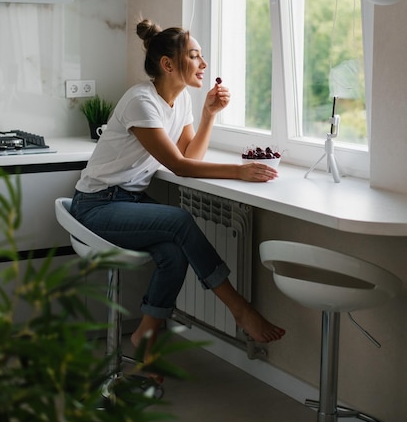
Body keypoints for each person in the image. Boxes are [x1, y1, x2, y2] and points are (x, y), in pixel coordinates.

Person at [71, 19, 285, 358]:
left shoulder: (180, 100)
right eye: (195, 56)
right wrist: (239, 171)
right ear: (168, 64)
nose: (203, 64)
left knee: (173, 255)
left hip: (129, 201)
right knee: (181, 221)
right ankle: (239, 308)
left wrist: (209, 115)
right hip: (96, 206)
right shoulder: (141, 101)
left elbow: (189, 155)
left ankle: (146, 337)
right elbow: (180, 166)